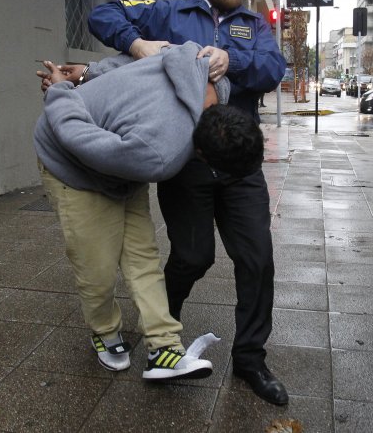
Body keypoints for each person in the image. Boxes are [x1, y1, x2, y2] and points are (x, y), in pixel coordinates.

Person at [88, 0, 289, 405]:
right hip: (187, 163)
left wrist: (231, 60)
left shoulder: (254, 25)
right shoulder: (167, 13)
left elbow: (273, 69)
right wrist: (137, 43)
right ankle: (163, 338)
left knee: (257, 260)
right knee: (192, 256)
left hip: (239, 168)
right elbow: (104, 14)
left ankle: (250, 361)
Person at [34, 41, 264, 381]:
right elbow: (77, 135)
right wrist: (61, 92)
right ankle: (104, 330)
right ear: (203, 156)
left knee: (143, 258)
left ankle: (163, 347)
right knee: (97, 265)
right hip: (71, 161)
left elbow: (132, 63)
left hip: (123, 159)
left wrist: (88, 72)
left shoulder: (211, 77)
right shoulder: (162, 153)